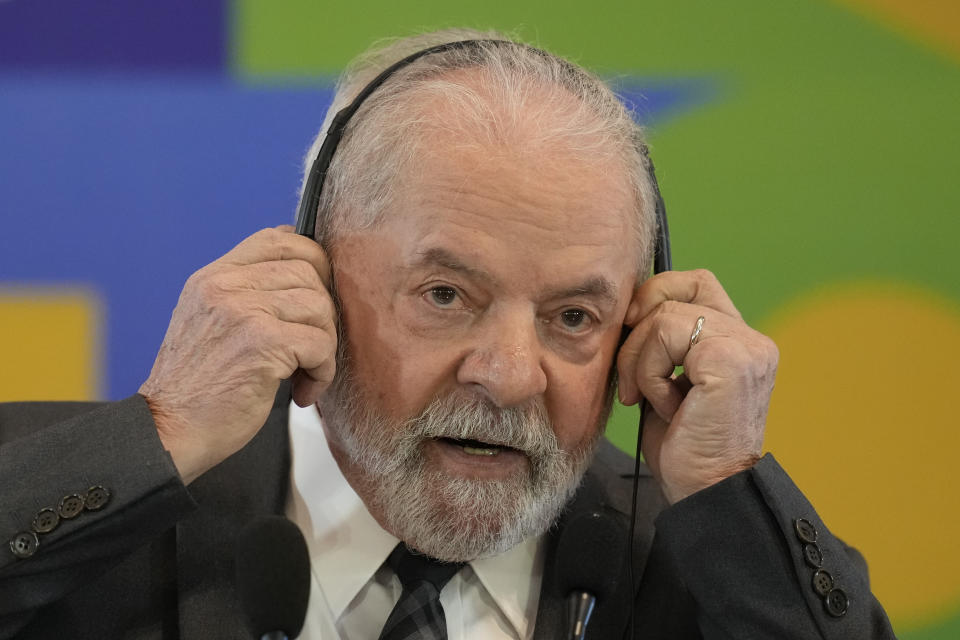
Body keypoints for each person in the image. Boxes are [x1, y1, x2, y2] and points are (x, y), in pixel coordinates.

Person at [0, 29, 895, 639]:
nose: (509, 375)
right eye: (446, 295)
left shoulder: (705, 567)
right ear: (309, 277)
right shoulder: (86, 500)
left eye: (572, 318)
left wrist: (726, 489)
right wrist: (160, 439)